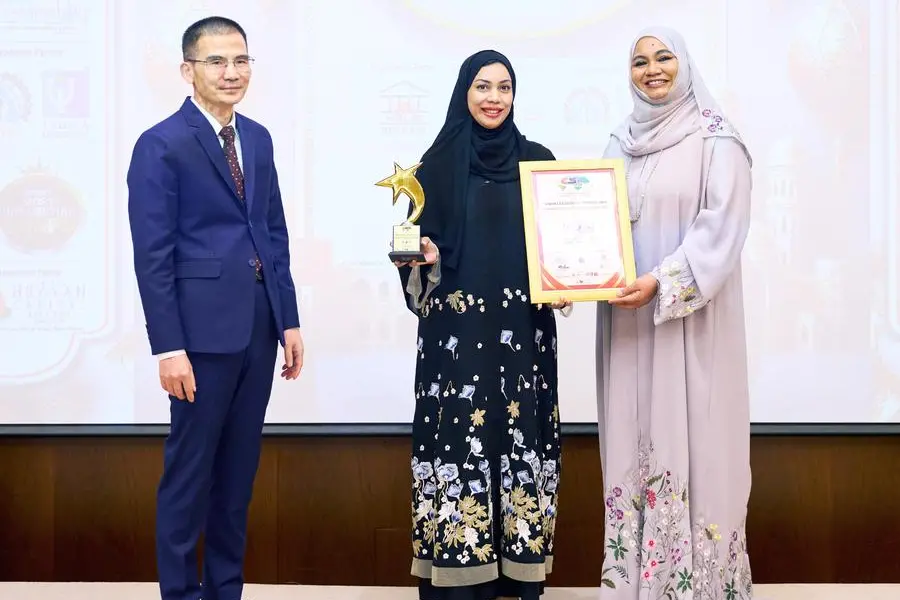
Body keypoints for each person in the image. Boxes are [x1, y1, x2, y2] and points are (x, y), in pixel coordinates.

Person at [126, 16, 304, 600]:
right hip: (198, 337)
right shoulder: (161, 144)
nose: (232, 72)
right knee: (189, 474)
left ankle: (225, 590)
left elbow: (272, 234)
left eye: (241, 60)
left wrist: (289, 318)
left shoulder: (258, 138)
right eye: (217, 61)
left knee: (237, 476)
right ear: (188, 70)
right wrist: (168, 347)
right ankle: (180, 593)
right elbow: (153, 256)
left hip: (258, 327)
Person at [394, 50, 571, 600]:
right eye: (482, 86)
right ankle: (458, 579)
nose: (494, 98)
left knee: (520, 435)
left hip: (523, 335)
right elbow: (412, 257)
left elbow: (563, 244)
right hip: (456, 340)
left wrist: (571, 277)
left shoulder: (539, 163)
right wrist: (422, 258)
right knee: (459, 439)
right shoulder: (431, 169)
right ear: (463, 93)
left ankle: (519, 571)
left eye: (504, 87)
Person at [595, 27, 754, 599]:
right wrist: (573, 276)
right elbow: (595, 228)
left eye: (663, 57)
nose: (652, 70)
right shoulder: (618, 143)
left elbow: (721, 231)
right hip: (628, 328)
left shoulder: (718, 141)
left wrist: (660, 282)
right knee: (631, 440)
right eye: (639, 61)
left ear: (684, 64)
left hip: (691, 327)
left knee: (700, 443)